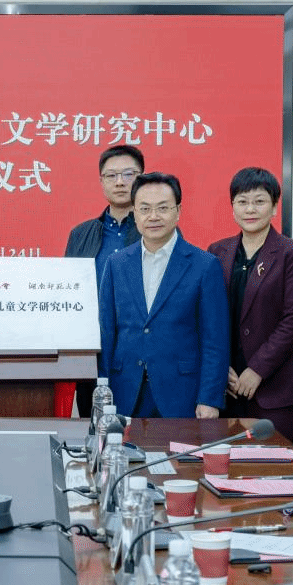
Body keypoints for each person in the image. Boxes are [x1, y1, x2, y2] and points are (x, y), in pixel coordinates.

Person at [98, 172, 228, 419]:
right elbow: (107, 332)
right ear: (134, 212)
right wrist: (103, 392)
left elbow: (215, 340)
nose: (153, 216)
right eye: (145, 209)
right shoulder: (116, 264)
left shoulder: (204, 265)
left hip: (182, 394)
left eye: (163, 208)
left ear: (178, 211)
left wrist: (209, 398)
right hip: (125, 391)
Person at [206, 168, 293, 441]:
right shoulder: (217, 252)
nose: (250, 209)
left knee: (271, 462)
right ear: (232, 208)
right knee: (225, 461)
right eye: (242, 201)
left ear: (274, 207)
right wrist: (221, 369)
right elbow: (208, 317)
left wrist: (257, 370)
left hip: (276, 386)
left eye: (259, 201)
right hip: (227, 386)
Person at [66, 144, 144, 416]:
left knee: (142, 432)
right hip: (93, 353)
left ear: (141, 179)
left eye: (128, 174)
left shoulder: (157, 230)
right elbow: (68, 292)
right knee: (94, 428)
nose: (120, 182)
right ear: (101, 182)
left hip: (140, 352)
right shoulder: (81, 234)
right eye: (111, 176)